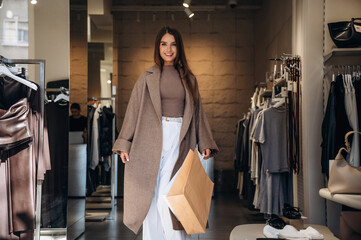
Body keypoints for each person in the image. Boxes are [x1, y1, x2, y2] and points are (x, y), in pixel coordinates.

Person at [112, 26, 219, 240]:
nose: (168, 49)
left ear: (179, 48)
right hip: (149, 141)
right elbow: (134, 109)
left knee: (168, 198)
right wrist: (124, 142)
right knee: (150, 199)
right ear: (158, 47)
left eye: (173, 44)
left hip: (180, 140)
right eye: (163, 44)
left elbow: (198, 113)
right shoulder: (147, 77)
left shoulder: (189, 79)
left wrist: (204, 141)